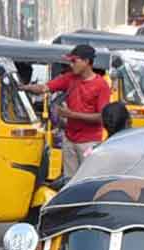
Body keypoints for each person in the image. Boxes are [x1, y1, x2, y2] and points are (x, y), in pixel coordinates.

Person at [22, 44, 111, 177]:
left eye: (74, 61)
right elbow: (44, 88)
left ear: (86, 62)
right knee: (69, 180)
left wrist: (71, 115)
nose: (71, 64)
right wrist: (24, 87)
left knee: (86, 179)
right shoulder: (70, 78)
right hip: (69, 140)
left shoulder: (101, 86)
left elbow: (102, 117)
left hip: (89, 143)